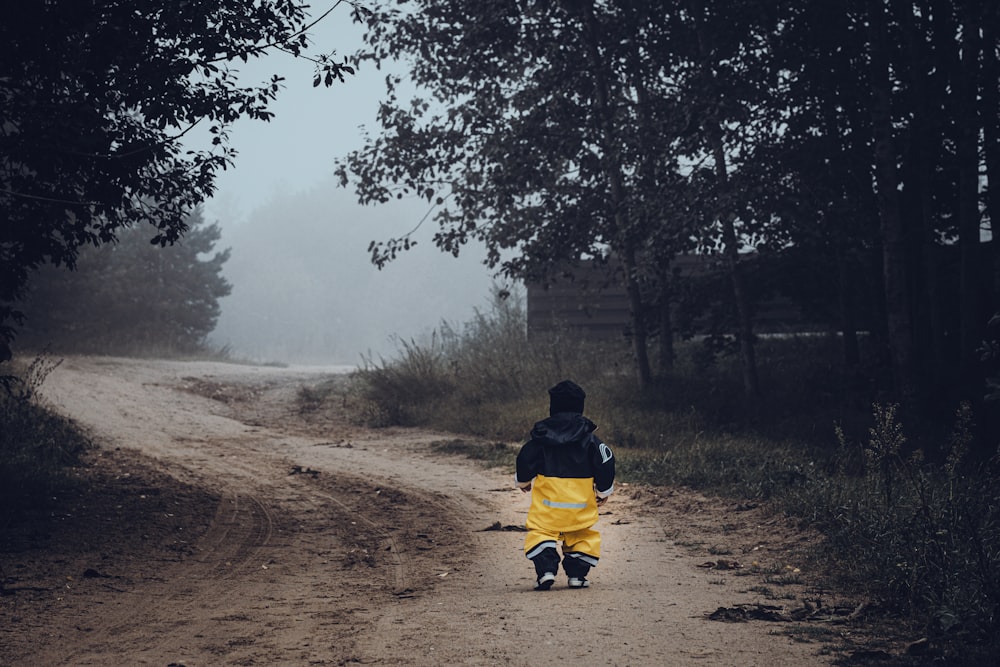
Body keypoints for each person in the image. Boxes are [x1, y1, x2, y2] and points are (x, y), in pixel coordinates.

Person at [515, 380, 615, 590]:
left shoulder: (541, 438)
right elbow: (605, 461)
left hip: (548, 506)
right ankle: (577, 575)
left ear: (552, 407)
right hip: (580, 506)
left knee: (541, 533)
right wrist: (603, 490)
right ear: (580, 407)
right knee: (581, 536)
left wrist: (523, 480)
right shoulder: (591, 440)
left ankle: (546, 570)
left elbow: (526, 458)